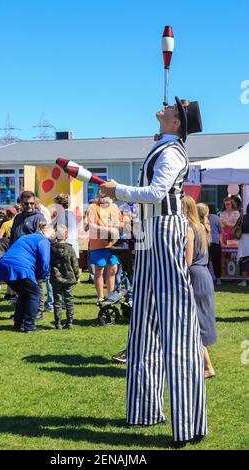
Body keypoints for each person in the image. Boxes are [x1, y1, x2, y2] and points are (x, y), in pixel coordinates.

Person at [100, 97, 207, 447]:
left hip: (163, 230)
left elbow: (158, 192)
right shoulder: (162, 144)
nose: (166, 107)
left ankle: (188, 424)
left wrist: (120, 190)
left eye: (173, 109)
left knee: (175, 326)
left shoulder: (173, 151)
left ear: (177, 123)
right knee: (143, 324)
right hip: (148, 231)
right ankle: (144, 410)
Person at [183, 197, 217, 379]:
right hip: (205, 276)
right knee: (200, 322)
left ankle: (207, 367)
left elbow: (187, 261)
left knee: (195, 324)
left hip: (195, 277)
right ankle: (201, 364)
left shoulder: (190, 229)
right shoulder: (202, 228)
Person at [0, 223, 52, 333]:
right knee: (34, 294)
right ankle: (30, 326)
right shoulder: (43, 240)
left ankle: (18, 323)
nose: (53, 236)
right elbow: (45, 260)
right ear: (45, 232)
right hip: (20, 268)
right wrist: (42, 275)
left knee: (24, 294)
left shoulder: (26, 237)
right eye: (52, 233)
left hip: (4, 265)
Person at [10, 191, 47, 318]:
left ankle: (38, 311)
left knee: (37, 283)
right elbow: (13, 235)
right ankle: (24, 311)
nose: (29, 206)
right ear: (21, 203)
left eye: (32, 203)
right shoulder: (18, 217)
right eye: (26, 203)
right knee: (22, 285)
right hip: (18, 256)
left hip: (32, 256)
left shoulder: (39, 217)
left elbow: (41, 239)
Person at [50, 225, 80, 330]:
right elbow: (75, 265)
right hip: (69, 278)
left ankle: (58, 324)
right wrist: (77, 276)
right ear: (66, 235)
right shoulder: (70, 249)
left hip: (56, 278)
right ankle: (70, 322)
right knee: (69, 301)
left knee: (57, 301)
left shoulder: (51, 249)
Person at [208, 205, 222, 285]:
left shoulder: (204, 218)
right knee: (216, 261)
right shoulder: (216, 218)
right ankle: (218, 279)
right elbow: (220, 230)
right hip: (216, 241)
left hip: (206, 241)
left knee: (206, 261)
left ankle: (208, 278)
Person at [237, 204, 249, 287]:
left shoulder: (242, 217)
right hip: (244, 240)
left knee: (244, 261)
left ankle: (244, 281)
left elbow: (236, 227)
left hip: (244, 241)